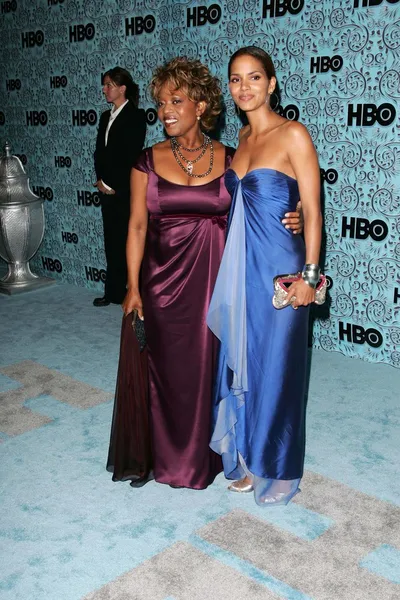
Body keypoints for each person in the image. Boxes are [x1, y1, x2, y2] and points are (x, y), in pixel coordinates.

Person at [120, 57, 302, 490]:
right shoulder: (146, 161)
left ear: (200, 106)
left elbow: (261, 199)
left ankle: (213, 457)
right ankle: (166, 458)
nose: (165, 109)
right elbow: (136, 226)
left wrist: (292, 214)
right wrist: (132, 287)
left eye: (176, 100)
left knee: (211, 371)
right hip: (161, 284)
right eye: (161, 102)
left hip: (217, 284)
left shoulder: (232, 156)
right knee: (166, 370)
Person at [207, 46, 322, 506]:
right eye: (235, 79)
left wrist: (310, 276)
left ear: (272, 84)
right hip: (241, 270)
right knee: (245, 360)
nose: (245, 87)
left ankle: (273, 464)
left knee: (277, 367)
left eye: (254, 78)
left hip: (280, 269)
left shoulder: (293, 134)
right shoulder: (241, 138)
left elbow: (312, 210)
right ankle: (250, 455)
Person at [93, 67, 146, 307]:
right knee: (111, 241)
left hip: (125, 190)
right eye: (104, 85)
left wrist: (113, 184)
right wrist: (102, 182)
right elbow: (100, 153)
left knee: (129, 240)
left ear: (122, 88)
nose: (104, 89)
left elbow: (129, 155)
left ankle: (135, 292)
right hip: (106, 190)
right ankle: (113, 292)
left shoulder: (135, 116)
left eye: (109, 85)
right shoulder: (105, 117)